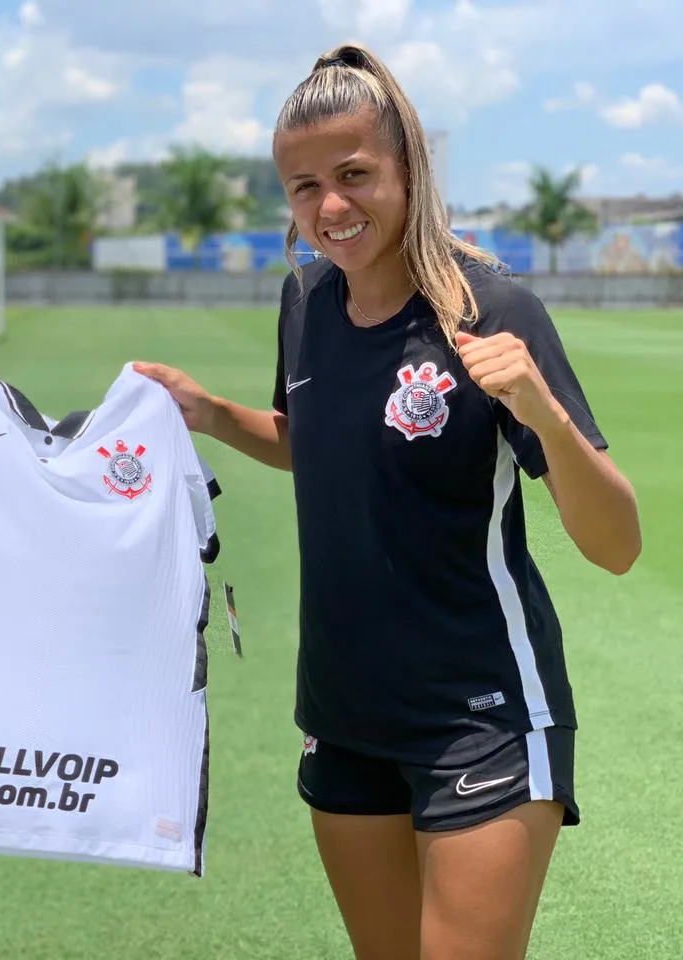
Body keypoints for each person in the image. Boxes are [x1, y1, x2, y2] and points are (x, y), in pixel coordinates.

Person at [134, 43, 641, 960]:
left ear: (408, 166)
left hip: (479, 713)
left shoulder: (488, 308)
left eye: (356, 174)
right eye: (303, 186)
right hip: (344, 714)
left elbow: (617, 543)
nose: (330, 207)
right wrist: (209, 413)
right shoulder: (307, 300)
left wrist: (542, 413)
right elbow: (317, 445)